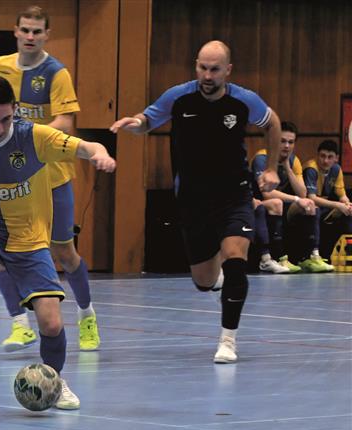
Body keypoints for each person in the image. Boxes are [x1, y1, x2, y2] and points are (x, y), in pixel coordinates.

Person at [0, 75, 115, 410]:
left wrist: (99, 154)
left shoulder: (35, 137)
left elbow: (87, 146)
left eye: (7, 118)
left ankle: (55, 381)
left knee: (51, 322)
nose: (0, 127)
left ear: (15, 111)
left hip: (28, 238)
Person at [111, 40, 281, 364]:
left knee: (236, 258)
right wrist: (134, 125)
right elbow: (147, 120)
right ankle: (214, 274)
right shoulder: (179, 97)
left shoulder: (244, 101)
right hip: (192, 200)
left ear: (227, 71)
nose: (207, 75)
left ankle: (228, 340)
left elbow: (272, 122)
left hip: (235, 194)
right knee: (203, 282)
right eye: (202, 67)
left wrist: (272, 168)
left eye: (215, 69)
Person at [0, 6, 99, 353]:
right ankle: (19, 324)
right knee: (2, 242)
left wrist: (25, 137)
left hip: (48, 171)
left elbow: (64, 123)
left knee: (63, 250)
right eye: (25, 30)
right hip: (6, 169)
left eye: (38, 31)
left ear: (47, 35)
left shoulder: (56, 73)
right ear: (15, 31)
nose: (31, 36)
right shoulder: (2, 66)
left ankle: (87, 314)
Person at [251, 122, 332, 272]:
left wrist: (288, 168)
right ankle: (279, 259)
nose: (287, 146)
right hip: (258, 202)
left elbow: (302, 193)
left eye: (291, 142)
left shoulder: (294, 161)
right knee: (276, 202)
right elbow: (267, 193)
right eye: (282, 141)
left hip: (283, 205)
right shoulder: (262, 158)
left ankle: (311, 257)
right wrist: (295, 199)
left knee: (310, 205)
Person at [303, 140, 352, 258]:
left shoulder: (336, 169)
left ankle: (347, 252)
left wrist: (348, 205)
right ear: (317, 155)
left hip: (324, 206)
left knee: (348, 213)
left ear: (336, 158)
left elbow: (342, 195)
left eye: (330, 157)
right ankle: (314, 255)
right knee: (316, 210)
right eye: (322, 156)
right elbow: (312, 198)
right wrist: (337, 205)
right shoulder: (311, 169)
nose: (326, 160)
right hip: (306, 206)